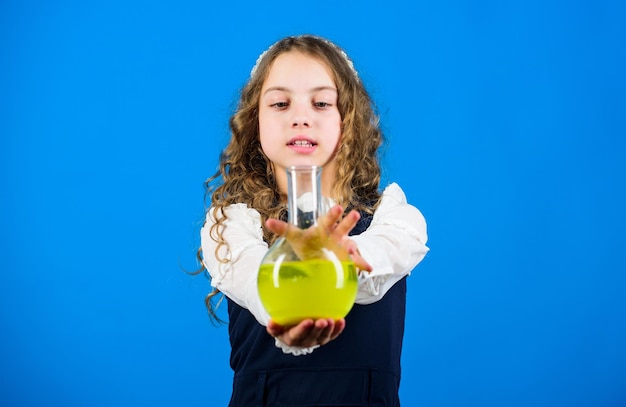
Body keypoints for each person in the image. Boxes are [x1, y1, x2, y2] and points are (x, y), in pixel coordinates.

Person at [198, 34, 429, 407]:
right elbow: (253, 278)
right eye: (280, 103)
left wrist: (339, 255)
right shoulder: (228, 224)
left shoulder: (394, 216)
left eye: (321, 102)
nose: (301, 117)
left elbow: (382, 258)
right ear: (255, 121)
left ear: (347, 120)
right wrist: (289, 311)